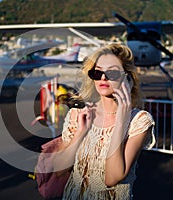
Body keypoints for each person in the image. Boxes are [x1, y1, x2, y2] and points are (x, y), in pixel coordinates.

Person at [52, 44, 155, 200]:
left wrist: (121, 120)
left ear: (126, 77)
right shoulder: (77, 114)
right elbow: (59, 170)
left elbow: (112, 178)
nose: (103, 78)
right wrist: (80, 133)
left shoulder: (139, 121)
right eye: (97, 72)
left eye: (112, 72)